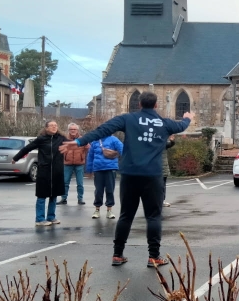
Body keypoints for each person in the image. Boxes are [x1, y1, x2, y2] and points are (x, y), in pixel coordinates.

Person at [60, 91, 192, 267]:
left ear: (139, 104)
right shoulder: (165, 123)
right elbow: (181, 126)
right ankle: (154, 256)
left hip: (130, 174)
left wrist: (79, 142)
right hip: (152, 176)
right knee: (153, 217)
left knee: (126, 215)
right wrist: (187, 118)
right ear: (156, 105)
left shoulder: (128, 119)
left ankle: (117, 254)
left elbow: (103, 130)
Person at [12, 120, 66, 226]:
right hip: (44, 171)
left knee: (54, 195)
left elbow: (73, 144)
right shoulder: (41, 139)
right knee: (42, 196)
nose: (54, 127)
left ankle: (51, 217)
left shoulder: (61, 138)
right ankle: (40, 219)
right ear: (46, 128)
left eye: (55, 125)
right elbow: (27, 148)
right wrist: (16, 158)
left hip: (57, 171)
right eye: (52, 126)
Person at [86, 134, 124, 219]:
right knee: (98, 190)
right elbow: (90, 156)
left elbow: (123, 150)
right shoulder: (95, 141)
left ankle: (109, 210)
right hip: (98, 169)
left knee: (110, 189)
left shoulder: (114, 139)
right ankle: (97, 209)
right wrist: (89, 170)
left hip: (110, 168)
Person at [58, 123, 88, 205]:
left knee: (80, 183)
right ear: (68, 130)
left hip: (79, 164)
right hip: (67, 163)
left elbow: (88, 148)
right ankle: (63, 198)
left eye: (74, 129)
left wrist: (83, 157)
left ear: (77, 130)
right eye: (71, 129)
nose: (73, 131)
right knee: (65, 182)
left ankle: (80, 199)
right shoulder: (64, 139)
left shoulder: (82, 139)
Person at [161, 138, 175, 207]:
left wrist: (172, 141)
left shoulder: (163, 143)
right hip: (154, 169)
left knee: (162, 186)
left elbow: (170, 144)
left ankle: (162, 201)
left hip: (163, 169)